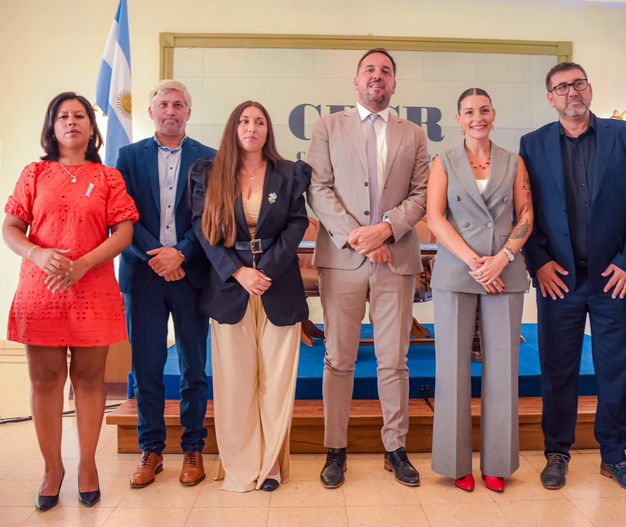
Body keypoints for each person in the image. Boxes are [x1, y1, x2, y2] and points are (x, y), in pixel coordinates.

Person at [519, 62, 626, 494]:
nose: (571, 92)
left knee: (616, 368)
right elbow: (526, 213)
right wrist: (537, 261)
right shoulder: (533, 144)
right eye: (561, 87)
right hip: (559, 279)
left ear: (589, 89)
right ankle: (557, 453)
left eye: (577, 84)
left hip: (615, 278)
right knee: (558, 370)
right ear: (550, 97)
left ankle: (614, 456)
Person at [2, 92, 138, 510]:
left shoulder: (109, 177)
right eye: (62, 116)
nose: (72, 121)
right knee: (44, 382)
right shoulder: (34, 173)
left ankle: (87, 467)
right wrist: (38, 254)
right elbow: (11, 227)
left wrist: (81, 265)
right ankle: (52, 469)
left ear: (92, 128)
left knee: (89, 381)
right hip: (40, 290)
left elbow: (123, 233)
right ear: (52, 125)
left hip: (92, 287)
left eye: (79, 115)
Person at [307, 48, 429, 488]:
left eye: (386, 71)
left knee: (393, 361)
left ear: (394, 84)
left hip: (395, 260)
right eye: (369, 70)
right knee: (338, 358)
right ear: (356, 81)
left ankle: (395, 447)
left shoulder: (412, 133)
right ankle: (334, 448)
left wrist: (386, 231)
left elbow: (420, 194)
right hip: (341, 260)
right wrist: (358, 236)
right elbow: (318, 189)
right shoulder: (327, 126)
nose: (378, 77)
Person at [191, 101, 310, 492]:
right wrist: (239, 272)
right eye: (244, 120)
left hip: (278, 286)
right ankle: (241, 465)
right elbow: (204, 230)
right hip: (230, 288)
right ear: (233, 127)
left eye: (259, 121)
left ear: (267, 131)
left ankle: (272, 463)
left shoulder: (289, 174)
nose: (251, 127)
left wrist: (266, 271)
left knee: (276, 383)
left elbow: (296, 225)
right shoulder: (208, 174)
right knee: (235, 383)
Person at [427, 88, 532, 493]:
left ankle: (498, 464)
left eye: (484, 110)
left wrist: (501, 258)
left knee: (503, 369)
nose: (477, 117)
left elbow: (526, 214)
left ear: (493, 114)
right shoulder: (444, 160)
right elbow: (435, 218)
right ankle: (455, 464)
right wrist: (475, 262)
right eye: (469, 111)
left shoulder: (513, 161)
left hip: (505, 271)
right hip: (458, 271)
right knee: (451, 369)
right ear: (458, 118)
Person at [117, 80, 215, 489]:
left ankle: (193, 446)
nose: (171, 110)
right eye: (163, 104)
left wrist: (182, 254)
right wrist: (158, 256)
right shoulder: (128, 156)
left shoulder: (210, 158)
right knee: (147, 366)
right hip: (143, 275)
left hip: (192, 275)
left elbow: (212, 218)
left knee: (194, 366)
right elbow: (120, 214)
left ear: (188, 113)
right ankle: (152, 449)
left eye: (179, 104)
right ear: (152, 111)